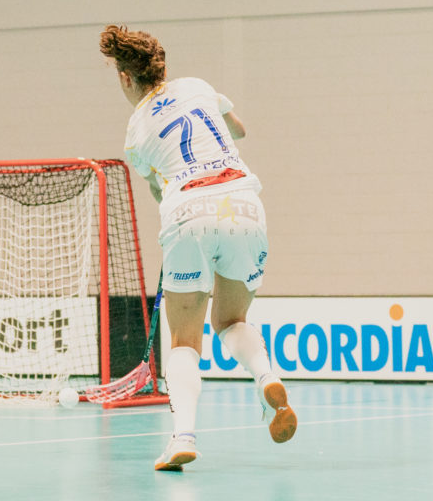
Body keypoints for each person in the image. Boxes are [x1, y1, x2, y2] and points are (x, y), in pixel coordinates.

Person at [98, 25, 296, 472]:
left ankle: (182, 437)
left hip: (188, 210)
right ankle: (266, 376)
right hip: (244, 202)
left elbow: (157, 189)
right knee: (231, 321)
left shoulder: (135, 132)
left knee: (184, 341)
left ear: (126, 78)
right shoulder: (198, 87)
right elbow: (239, 130)